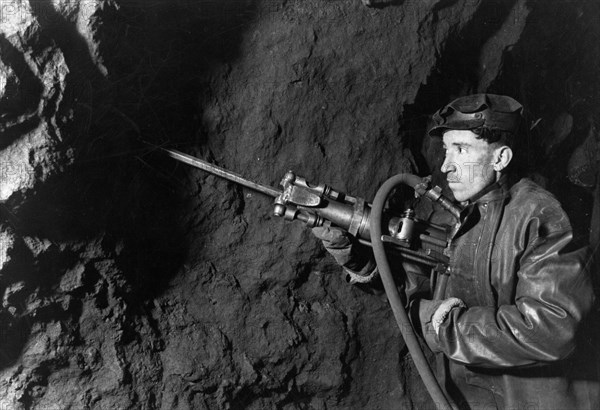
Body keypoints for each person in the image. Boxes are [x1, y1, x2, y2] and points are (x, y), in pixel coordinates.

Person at [313, 94, 599, 410]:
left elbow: (551, 329)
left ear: (500, 158)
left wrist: (444, 326)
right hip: (465, 399)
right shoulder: (456, 217)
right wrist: (358, 259)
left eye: (461, 150)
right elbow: (413, 293)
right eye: (446, 151)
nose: (446, 165)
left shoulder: (541, 216)